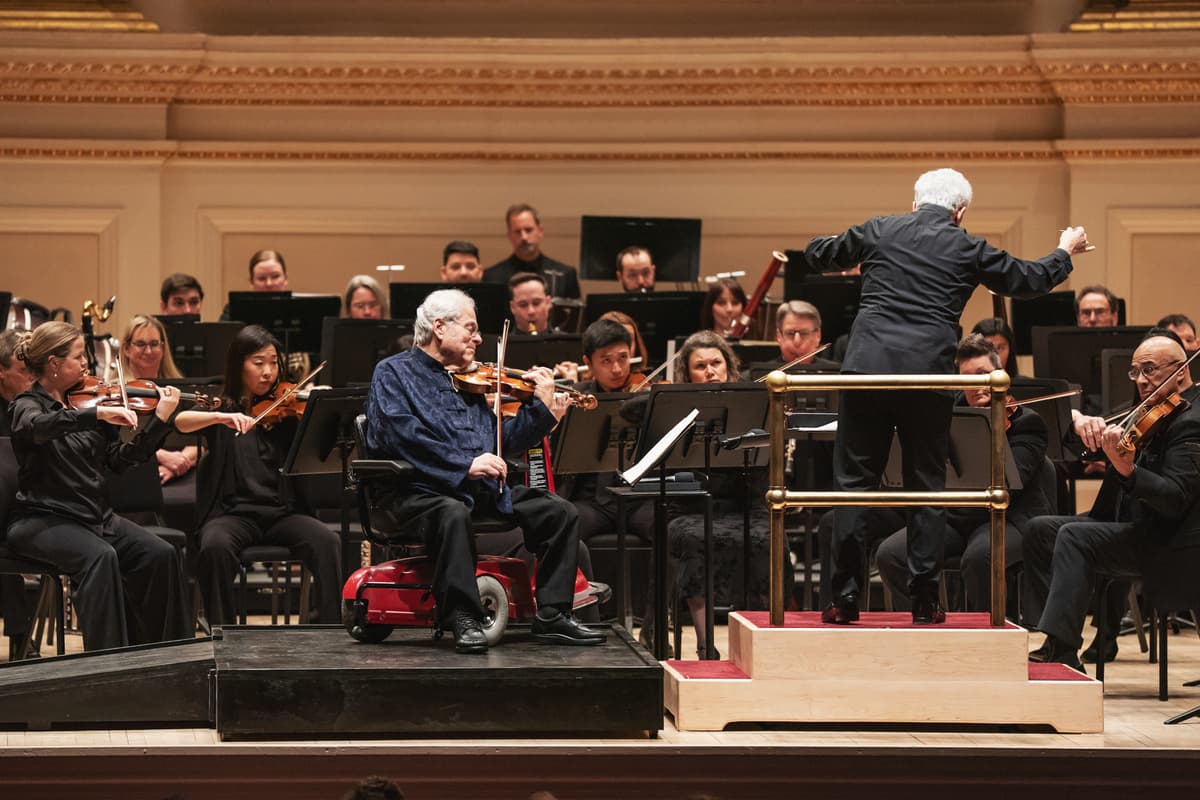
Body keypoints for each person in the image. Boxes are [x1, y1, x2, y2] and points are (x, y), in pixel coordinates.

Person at [800, 167, 1088, 625]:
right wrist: (1064, 250)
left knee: (854, 485)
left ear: (915, 202)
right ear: (960, 212)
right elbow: (1028, 280)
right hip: (928, 375)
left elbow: (819, 254)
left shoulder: (879, 229)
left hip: (867, 370)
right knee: (926, 487)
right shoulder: (966, 245)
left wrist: (837, 245)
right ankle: (924, 600)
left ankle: (844, 599)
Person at [364, 289, 603, 653]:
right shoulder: (393, 373)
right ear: (439, 327)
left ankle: (553, 615)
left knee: (558, 511)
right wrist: (463, 464)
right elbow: (400, 435)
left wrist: (543, 413)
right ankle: (462, 615)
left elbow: (496, 440)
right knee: (452, 512)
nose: (479, 338)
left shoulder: (466, 380)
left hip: (474, 491)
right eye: (471, 329)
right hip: (414, 493)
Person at [5, 322, 190, 651]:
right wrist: (97, 416)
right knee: (101, 557)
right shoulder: (26, 406)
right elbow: (36, 428)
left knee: (160, 554)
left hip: (94, 517)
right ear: (54, 363)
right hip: (43, 519)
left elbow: (119, 461)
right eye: (79, 357)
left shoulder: (87, 404)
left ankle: (163, 656)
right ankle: (108, 667)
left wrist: (160, 422)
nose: (87, 365)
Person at [1025, 329, 1200, 672]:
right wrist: (1078, 424)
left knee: (1075, 537)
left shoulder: (1192, 421)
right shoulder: (1148, 410)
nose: (1141, 380)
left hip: (1165, 539)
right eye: (1136, 372)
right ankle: (1047, 632)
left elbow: (1175, 499)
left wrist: (1129, 470)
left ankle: (1063, 652)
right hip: (1125, 520)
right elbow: (1081, 448)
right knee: (1038, 530)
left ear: (1180, 372)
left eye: (1150, 369)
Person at [173, 325, 343, 629]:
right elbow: (181, 421)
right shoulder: (222, 406)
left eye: (274, 362)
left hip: (283, 513)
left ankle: (327, 629)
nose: (268, 372)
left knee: (327, 541)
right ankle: (222, 632)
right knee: (213, 547)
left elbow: (323, 444)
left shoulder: (289, 407)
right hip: (233, 515)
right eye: (258, 362)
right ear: (239, 365)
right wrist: (220, 417)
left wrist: (321, 405)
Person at [873, 334, 1051, 613]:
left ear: (1000, 375)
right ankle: (924, 621)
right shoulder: (950, 417)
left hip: (1008, 518)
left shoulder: (1026, 422)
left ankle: (986, 637)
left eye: (983, 375)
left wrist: (991, 436)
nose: (977, 386)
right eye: (967, 379)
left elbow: (1010, 486)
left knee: (981, 558)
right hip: (957, 517)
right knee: (891, 554)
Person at [666, 330, 782, 657]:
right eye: (700, 366)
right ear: (687, 373)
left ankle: (757, 645)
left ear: (729, 365)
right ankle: (706, 646)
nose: (710, 371)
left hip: (746, 504)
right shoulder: (676, 407)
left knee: (765, 540)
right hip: (693, 507)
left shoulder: (753, 402)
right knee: (691, 540)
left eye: (716, 362)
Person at [117, 315, 199, 486]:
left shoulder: (178, 390)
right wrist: (162, 456)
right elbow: (116, 445)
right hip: (133, 473)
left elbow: (199, 442)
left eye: (154, 344)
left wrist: (179, 463)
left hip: (180, 472)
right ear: (126, 348)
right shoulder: (115, 392)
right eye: (140, 344)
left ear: (163, 348)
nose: (148, 351)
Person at [1, 328, 36, 658]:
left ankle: (22, 635)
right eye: (24, 370)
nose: (32, 378)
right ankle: (22, 635)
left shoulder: (40, 407)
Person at [483, 204, 581, 299]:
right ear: (509, 235)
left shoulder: (565, 275)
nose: (524, 237)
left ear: (540, 231)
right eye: (517, 232)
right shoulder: (492, 277)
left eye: (528, 230)